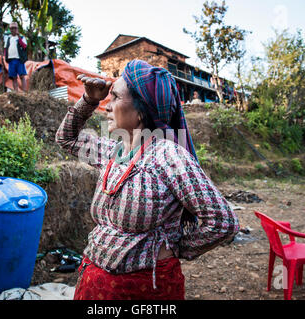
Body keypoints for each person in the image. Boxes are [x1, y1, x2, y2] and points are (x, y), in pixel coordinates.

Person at [56, 60, 239, 300]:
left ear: (142, 110)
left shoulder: (168, 156)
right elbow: (66, 139)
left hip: (144, 290)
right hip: (95, 285)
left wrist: (176, 246)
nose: (107, 106)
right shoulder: (113, 151)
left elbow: (223, 222)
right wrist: (89, 99)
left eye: (115, 98)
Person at [4, 22, 28, 92]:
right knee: (13, 77)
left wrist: (19, 37)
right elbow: (6, 49)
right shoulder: (8, 38)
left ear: (17, 29)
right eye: (11, 28)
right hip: (11, 60)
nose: (13, 30)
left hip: (19, 60)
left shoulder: (22, 37)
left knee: (22, 76)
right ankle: (16, 93)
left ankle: (24, 92)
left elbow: (24, 46)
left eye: (14, 28)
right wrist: (5, 57)